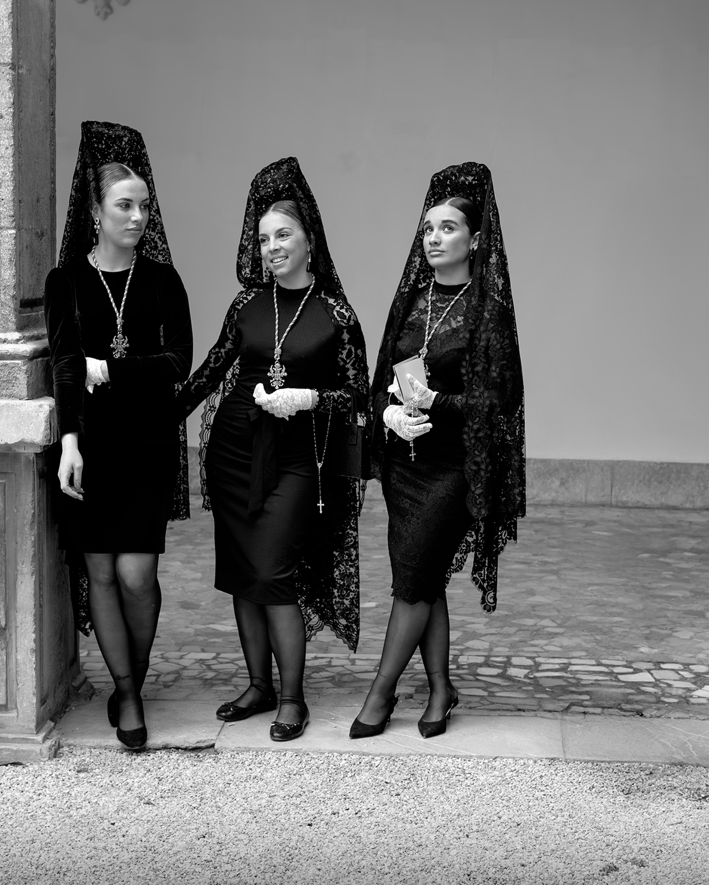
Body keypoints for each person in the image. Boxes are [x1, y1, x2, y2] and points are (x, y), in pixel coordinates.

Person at [177, 157, 369, 742]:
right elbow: (210, 371)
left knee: (273, 571)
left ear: (309, 240)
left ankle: (292, 698)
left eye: (283, 235)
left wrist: (310, 398)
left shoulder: (336, 313)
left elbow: (358, 392)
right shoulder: (247, 305)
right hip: (234, 451)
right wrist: (154, 414)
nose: (272, 248)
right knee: (242, 574)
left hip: (297, 461)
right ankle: (259, 686)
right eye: (263, 239)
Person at [351, 162, 524, 740]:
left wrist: (437, 402)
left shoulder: (487, 309)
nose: (433, 237)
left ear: (474, 240)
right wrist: (390, 414)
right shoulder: (412, 301)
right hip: (406, 464)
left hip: (454, 468)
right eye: (428, 228)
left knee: (413, 581)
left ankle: (380, 694)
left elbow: (501, 399)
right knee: (422, 579)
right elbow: (383, 378)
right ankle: (441, 689)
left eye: (447, 228)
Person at [45, 121, 193, 750]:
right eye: (124, 206)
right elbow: (63, 366)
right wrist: (69, 444)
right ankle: (127, 691)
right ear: (96, 213)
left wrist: (109, 369)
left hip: (147, 445)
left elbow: (177, 363)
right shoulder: (65, 282)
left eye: (144, 207)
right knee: (99, 574)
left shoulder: (162, 280)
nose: (137, 217)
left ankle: (134, 675)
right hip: (91, 445)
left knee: (136, 575)